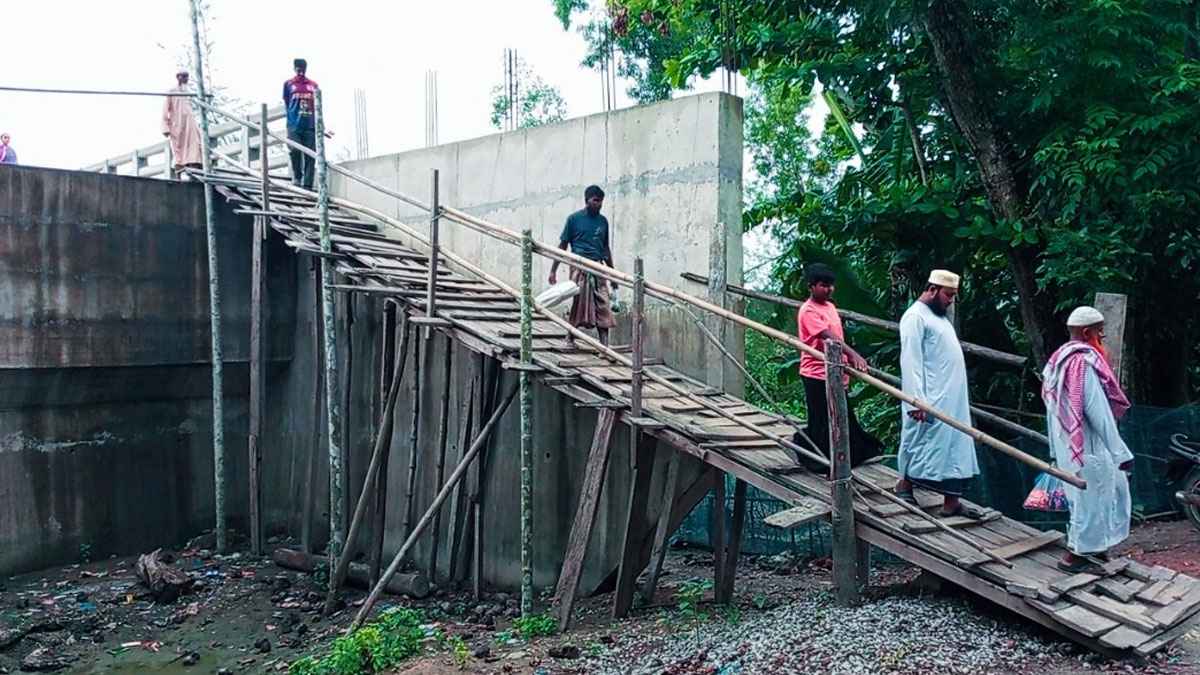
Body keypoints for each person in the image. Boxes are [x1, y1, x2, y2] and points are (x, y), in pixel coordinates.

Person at [1042, 306, 1133, 572]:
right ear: (1086, 332)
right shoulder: (1083, 363)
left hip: (1068, 444)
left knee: (1096, 497)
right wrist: (1121, 452)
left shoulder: (1057, 359)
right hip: (1089, 445)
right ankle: (1075, 556)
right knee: (1092, 500)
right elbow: (1099, 413)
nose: (1103, 336)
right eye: (1099, 331)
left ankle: (1097, 548)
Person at [894, 269, 982, 517]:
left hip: (952, 397)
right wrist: (915, 401)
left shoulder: (941, 317)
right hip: (928, 396)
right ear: (932, 290)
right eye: (948, 295)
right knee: (920, 440)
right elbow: (910, 360)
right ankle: (904, 486)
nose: (950, 300)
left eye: (953, 296)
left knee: (955, 444)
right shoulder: (914, 317)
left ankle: (951, 502)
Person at [793, 263, 881, 471]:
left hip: (835, 369)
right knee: (822, 418)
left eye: (831, 286)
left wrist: (847, 359)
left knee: (843, 416)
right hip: (816, 372)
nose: (829, 289)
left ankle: (846, 456)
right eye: (824, 285)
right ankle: (819, 460)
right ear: (811, 286)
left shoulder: (830, 307)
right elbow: (827, 337)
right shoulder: (808, 311)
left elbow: (838, 337)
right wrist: (853, 354)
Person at [547, 185, 618, 345]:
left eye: (601, 201)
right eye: (596, 201)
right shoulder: (574, 219)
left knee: (603, 302)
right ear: (587, 201)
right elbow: (563, 246)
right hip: (579, 266)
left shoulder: (603, 221)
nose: (599, 204)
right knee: (579, 302)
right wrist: (553, 270)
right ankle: (570, 336)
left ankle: (604, 346)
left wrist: (612, 273)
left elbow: (605, 248)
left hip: (598, 267)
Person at [283, 58, 319, 188]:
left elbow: (317, 105)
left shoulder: (313, 85)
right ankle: (297, 177)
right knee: (294, 149)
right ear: (294, 68)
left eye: (302, 68)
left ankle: (308, 184)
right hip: (294, 124)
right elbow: (287, 102)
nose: (300, 71)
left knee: (311, 155)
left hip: (309, 124)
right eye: (298, 68)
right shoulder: (288, 84)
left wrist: (320, 125)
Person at [161, 70, 203, 176]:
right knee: (178, 148)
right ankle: (179, 170)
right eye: (183, 76)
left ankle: (195, 165)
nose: (185, 79)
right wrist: (165, 127)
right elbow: (165, 110)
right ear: (178, 77)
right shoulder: (171, 91)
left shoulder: (188, 92)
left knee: (195, 142)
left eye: (187, 77)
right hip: (177, 124)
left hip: (190, 122)